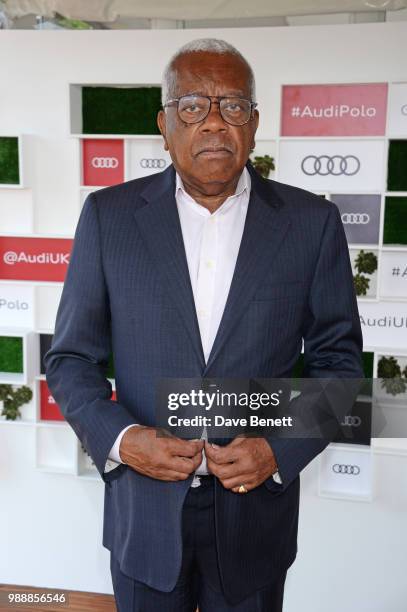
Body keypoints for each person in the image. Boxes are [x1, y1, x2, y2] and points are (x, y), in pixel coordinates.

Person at [44, 38, 363, 611]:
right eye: (192, 106)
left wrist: (279, 447)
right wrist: (122, 440)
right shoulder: (108, 217)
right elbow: (70, 360)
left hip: (253, 518)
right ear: (163, 124)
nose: (214, 123)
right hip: (144, 513)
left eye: (232, 106)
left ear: (255, 122)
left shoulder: (311, 223)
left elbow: (338, 364)